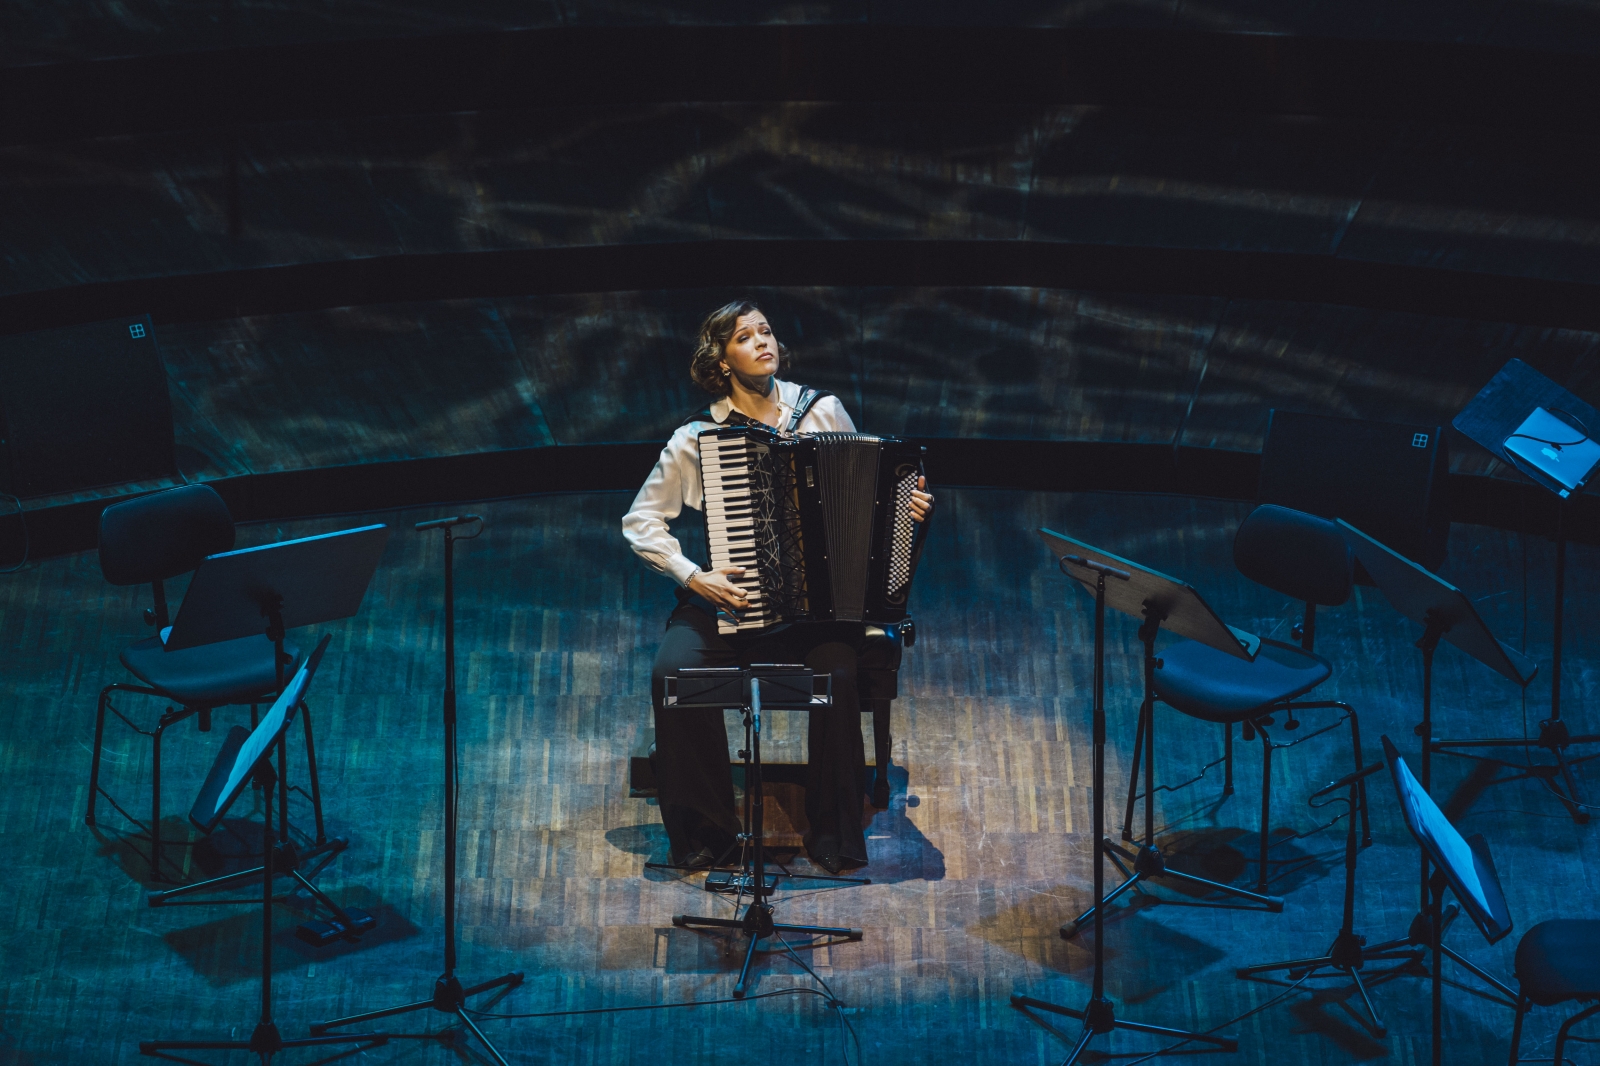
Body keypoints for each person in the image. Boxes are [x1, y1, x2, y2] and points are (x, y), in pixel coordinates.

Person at [623, 299, 933, 873]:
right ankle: (706, 836)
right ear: (721, 361)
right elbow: (640, 522)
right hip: (733, 599)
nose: (762, 341)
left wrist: (905, 510)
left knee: (838, 674)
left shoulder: (822, 411)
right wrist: (694, 576)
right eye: (744, 336)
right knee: (671, 672)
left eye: (765, 331)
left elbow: (867, 500)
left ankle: (835, 836)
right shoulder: (697, 437)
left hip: (817, 611)